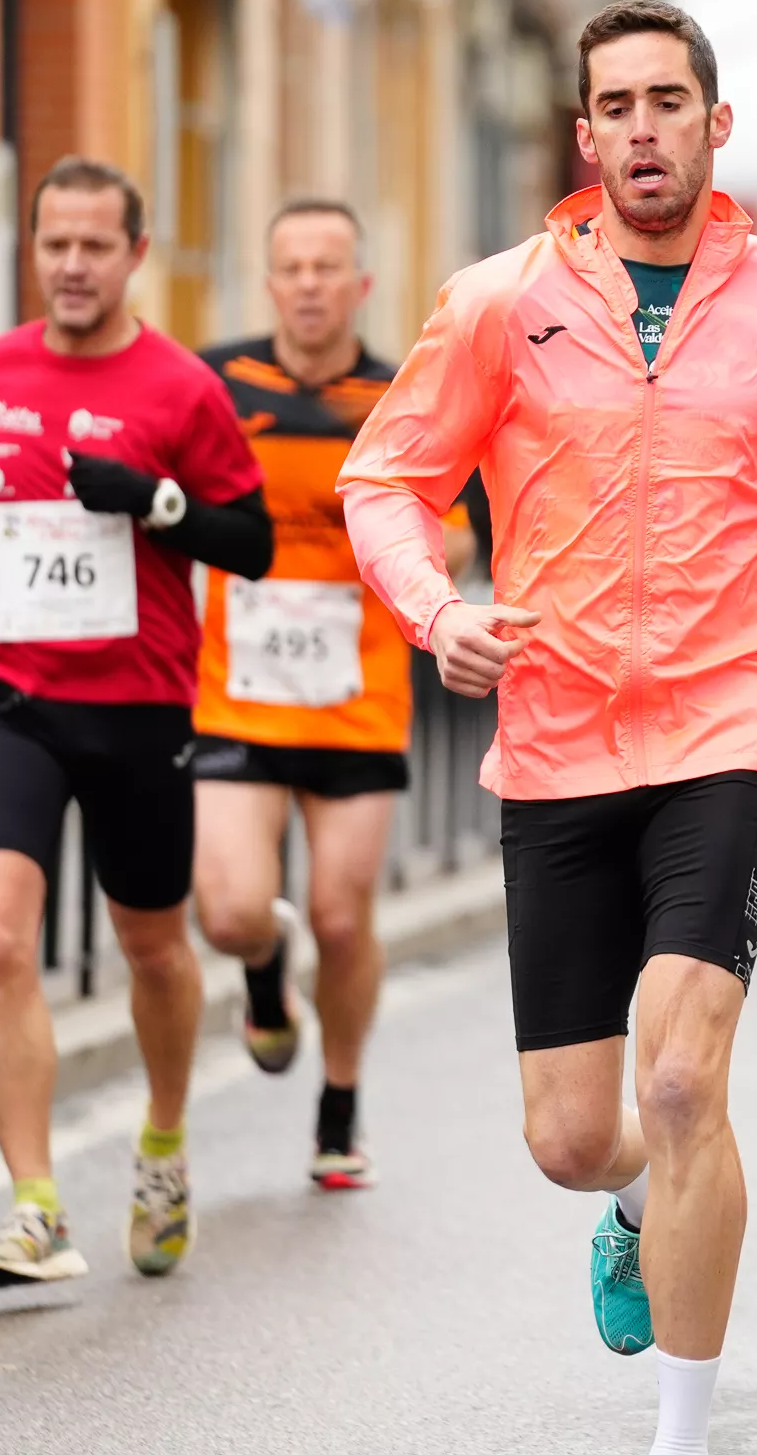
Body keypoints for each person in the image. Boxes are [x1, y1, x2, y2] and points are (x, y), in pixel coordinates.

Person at [339, 0, 757, 1455]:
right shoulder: (504, 302)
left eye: (667, 104)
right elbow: (386, 481)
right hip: (561, 738)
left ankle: (679, 1432)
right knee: (575, 1136)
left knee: (685, 1075)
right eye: (616, 107)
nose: (643, 129)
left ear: (715, 125)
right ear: (586, 134)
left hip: (734, 722)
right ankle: (636, 1200)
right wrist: (435, 610)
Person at [0, 156, 274, 1286]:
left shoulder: (181, 388)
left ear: (135, 254)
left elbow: (252, 540)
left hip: (139, 699)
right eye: (54, 244)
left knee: (154, 946)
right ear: (35, 250)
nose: (72, 265)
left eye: (94, 246)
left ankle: (163, 1141)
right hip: (11, 691)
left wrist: (158, 503)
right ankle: (34, 1206)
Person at [188, 199, 478, 1191]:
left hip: (358, 697)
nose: (310, 282)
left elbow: (469, 522)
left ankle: (340, 1101)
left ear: (361, 284)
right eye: (292, 265)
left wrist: (419, 545)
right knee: (228, 909)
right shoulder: (218, 382)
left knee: (344, 916)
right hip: (240, 694)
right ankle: (266, 973)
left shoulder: (402, 390)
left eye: (329, 266)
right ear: (269, 282)